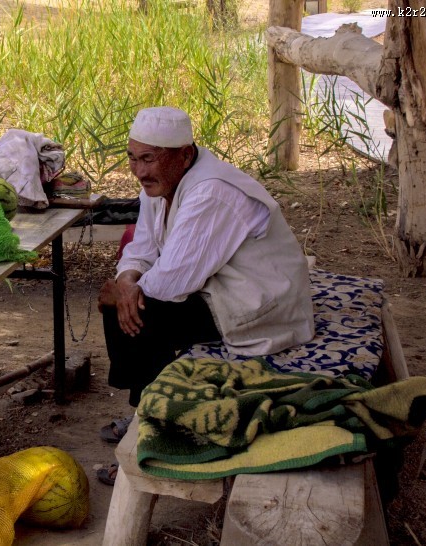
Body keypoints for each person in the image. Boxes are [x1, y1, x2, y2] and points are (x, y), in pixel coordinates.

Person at [96, 106, 315, 484]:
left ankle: (152, 438)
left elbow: (173, 283)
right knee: (133, 303)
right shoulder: (159, 183)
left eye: (149, 159)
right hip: (219, 286)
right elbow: (142, 250)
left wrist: (123, 294)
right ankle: (147, 416)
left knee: (146, 314)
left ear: (184, 154)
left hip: (260, 302)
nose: (139, 171)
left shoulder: (211, 191)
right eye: (133, 158)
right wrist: (127, 281)